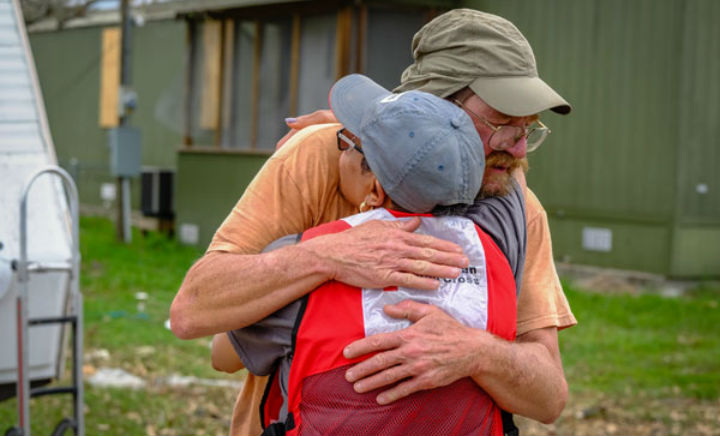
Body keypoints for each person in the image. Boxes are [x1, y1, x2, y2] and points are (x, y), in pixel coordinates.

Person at [171, 8, 576, 436]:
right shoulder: (317, 157)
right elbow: (192, 311)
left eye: (527, 129)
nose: (517, 153)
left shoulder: (514, 204)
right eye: (500, 124)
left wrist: (476, 352)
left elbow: (548, 398)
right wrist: (323, 257)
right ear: (436, 103)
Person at [228, 74, 521, 436]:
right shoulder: (499, 253)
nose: (342, 146)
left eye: (350, 143)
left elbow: (223, 353)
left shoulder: (312, 257)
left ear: (377, 189)